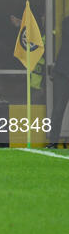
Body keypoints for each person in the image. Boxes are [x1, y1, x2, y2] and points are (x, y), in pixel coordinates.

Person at [48, 15, 69, 149]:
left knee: (58, 109)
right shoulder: (67, 21)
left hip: (62, 70)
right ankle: (53, 143)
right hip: (63, 72)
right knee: (58, 110)